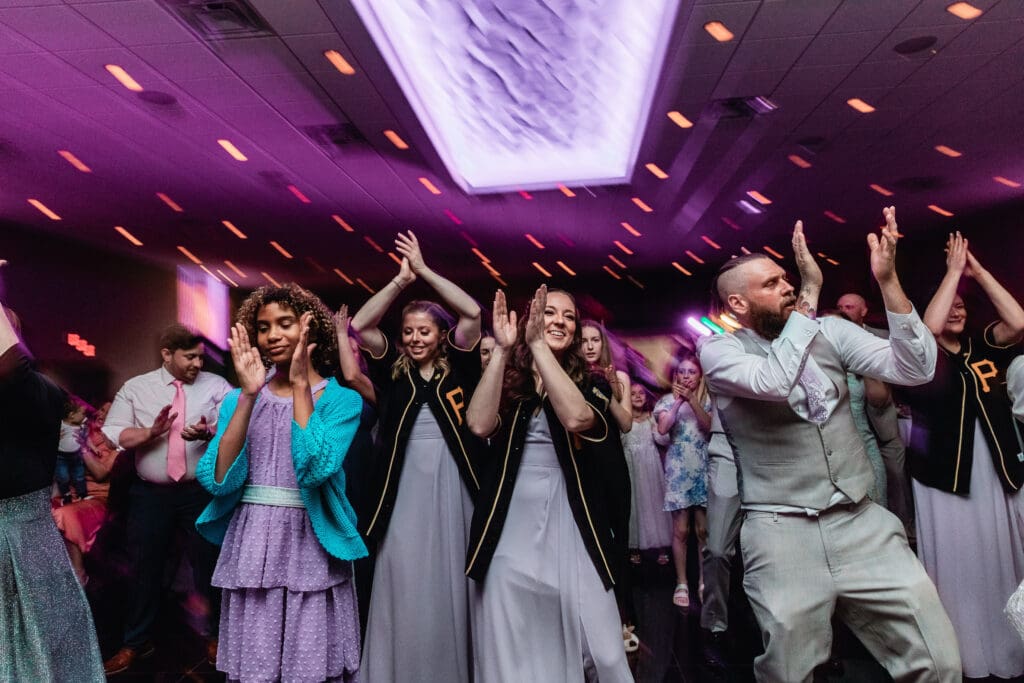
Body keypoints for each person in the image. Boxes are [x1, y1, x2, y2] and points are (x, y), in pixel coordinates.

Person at [698, 211, 960, 682]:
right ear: (737, 303)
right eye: (771, 283)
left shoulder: (832, 333)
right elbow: (775, 380)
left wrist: (888, 281)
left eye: (786, 278)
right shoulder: (720, 353)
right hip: (782, 533)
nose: (787, 286)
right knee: (790, 672)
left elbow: (917, 367)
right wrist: (811, 294)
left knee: (939, 662)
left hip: (861, 523)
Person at [195, 284, 366, 682]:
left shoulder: (343, 401)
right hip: (253, 541)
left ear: (311, 329)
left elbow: (316, 467)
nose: (272, 335)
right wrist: (249, 397)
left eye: (284, 324)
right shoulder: (238, 398)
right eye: (263, 326)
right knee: (256, 662)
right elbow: (218, 479)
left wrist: (302, 384)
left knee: (308, 664)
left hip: (310, 540)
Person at [466, 286, 633, 682]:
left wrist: (539, 346)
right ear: (531, 320)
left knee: (607, 652)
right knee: (515, 638)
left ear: (575, 332)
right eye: (550, 313)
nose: (559, 321)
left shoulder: (593, 383)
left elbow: (576, 418)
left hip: (574, 518)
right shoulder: (511, 382)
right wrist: (504, 351)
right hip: (510, 520)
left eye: (568, 316)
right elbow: (478, 424)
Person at [352, 230, 482, 683]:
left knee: (452, 573)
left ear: (441, 335)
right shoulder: (394, 370)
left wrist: (425, 271)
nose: (413, 338)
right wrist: (399, 283)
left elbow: (472, 311)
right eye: (408, 332)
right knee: (404, 569)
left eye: (423, 331)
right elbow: (362, 326)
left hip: (454, 483)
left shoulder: (462, 363)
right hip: (402, 485)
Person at [900, 232, 1024, 679]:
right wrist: (952, 274)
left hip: (995, 467)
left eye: (962, 304)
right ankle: (966, 649)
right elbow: (929, 329)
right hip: (945, 473)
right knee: (961, 561)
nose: (956, 309)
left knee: (1002, 555)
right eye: (949, 301)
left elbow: (1018, 319)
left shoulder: (982, 346)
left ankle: (1010, 643)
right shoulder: (923, 357)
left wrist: (978, 272)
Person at [102, 323, 232, 674]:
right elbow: (115, 433)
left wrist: (210, 431)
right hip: (151, 494)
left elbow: (238, 424)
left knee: (209, 563)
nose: (197, 364)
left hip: (199, 492)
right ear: (167, 354)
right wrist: (149, 433)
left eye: (201, 357)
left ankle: (218, 635)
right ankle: (135, 642)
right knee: (145, 567)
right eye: (190, 357)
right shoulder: (137, 388)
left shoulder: (217, 386)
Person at [0, 282, 105, 681]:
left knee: (34, 645)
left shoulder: (32, 389)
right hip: (34, 535)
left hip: (20, 539)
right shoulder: (38, 387)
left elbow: (11, 365)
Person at [837, 292, 913, 528]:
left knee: (895, 477)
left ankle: (902, 528)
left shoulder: (881, 337)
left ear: (863, 311)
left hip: (884, 423)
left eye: (849, 306)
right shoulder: (832, 341)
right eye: (840, 306)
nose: (843, 310)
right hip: (852, 426)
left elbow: (903, 375)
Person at [654, 352, 711, 608]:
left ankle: (703, 581)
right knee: (681, 530)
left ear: (700, 377)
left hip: (703, 468)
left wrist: (692, 401)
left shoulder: (710, 401)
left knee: (703, 531)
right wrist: (678, 402)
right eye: (683, 372)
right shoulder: (665, 401)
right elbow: (663, 428)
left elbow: (709, 426)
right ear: (677, 375)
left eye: (692, 372)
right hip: (678, 470)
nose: (686, 376)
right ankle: (682, 583)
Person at [52, 401, 122, 585]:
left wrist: (81, 446)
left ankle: (78, 575)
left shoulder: (119, 445)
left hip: (98, 500)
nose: (100, 413)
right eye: (101, 409)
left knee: (64, 515)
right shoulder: (84, 431)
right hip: (72, 496)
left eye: (107, 411)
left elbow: (100, 474)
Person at [620, 383, 672, 563]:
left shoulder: (651, 418)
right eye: (632, 394)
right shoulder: (624, 420)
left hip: (651, 467)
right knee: (635, 505)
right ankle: (634, 548)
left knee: (655, 503)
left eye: (641, 393)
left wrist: (657, 429)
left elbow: (663, 439)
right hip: (631, 467)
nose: (637, 396)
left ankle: (662, 547)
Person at [55, 397, 89, 504]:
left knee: (79, 475)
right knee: (63, 477)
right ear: (71, 415)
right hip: (61, 457)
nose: (85, 416)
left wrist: (94, 448)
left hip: (76, 455)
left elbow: (86, 440)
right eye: (82, 413)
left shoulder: (81, 426)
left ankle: (82, 494)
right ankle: (66, 496)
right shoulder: (61, 425)